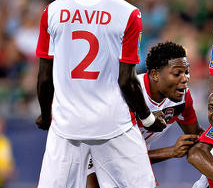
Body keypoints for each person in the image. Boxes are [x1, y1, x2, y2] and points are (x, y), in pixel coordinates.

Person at [35, 0, 166, 188]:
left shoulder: (51, 11)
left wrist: (44, 116)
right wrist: (148, 119)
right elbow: (127, 80)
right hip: (112, 125)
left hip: (66, 126)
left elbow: (43, 78)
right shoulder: (128, 13)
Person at [86, 41, 204, 187]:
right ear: (155, 74)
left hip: (137, 160)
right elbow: (120, 156)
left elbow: (197, 136)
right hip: (96, 154)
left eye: (186, 72)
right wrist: (171, 151)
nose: (185, 78)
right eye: (177, 73)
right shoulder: (125, 96)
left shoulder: (183, 98)